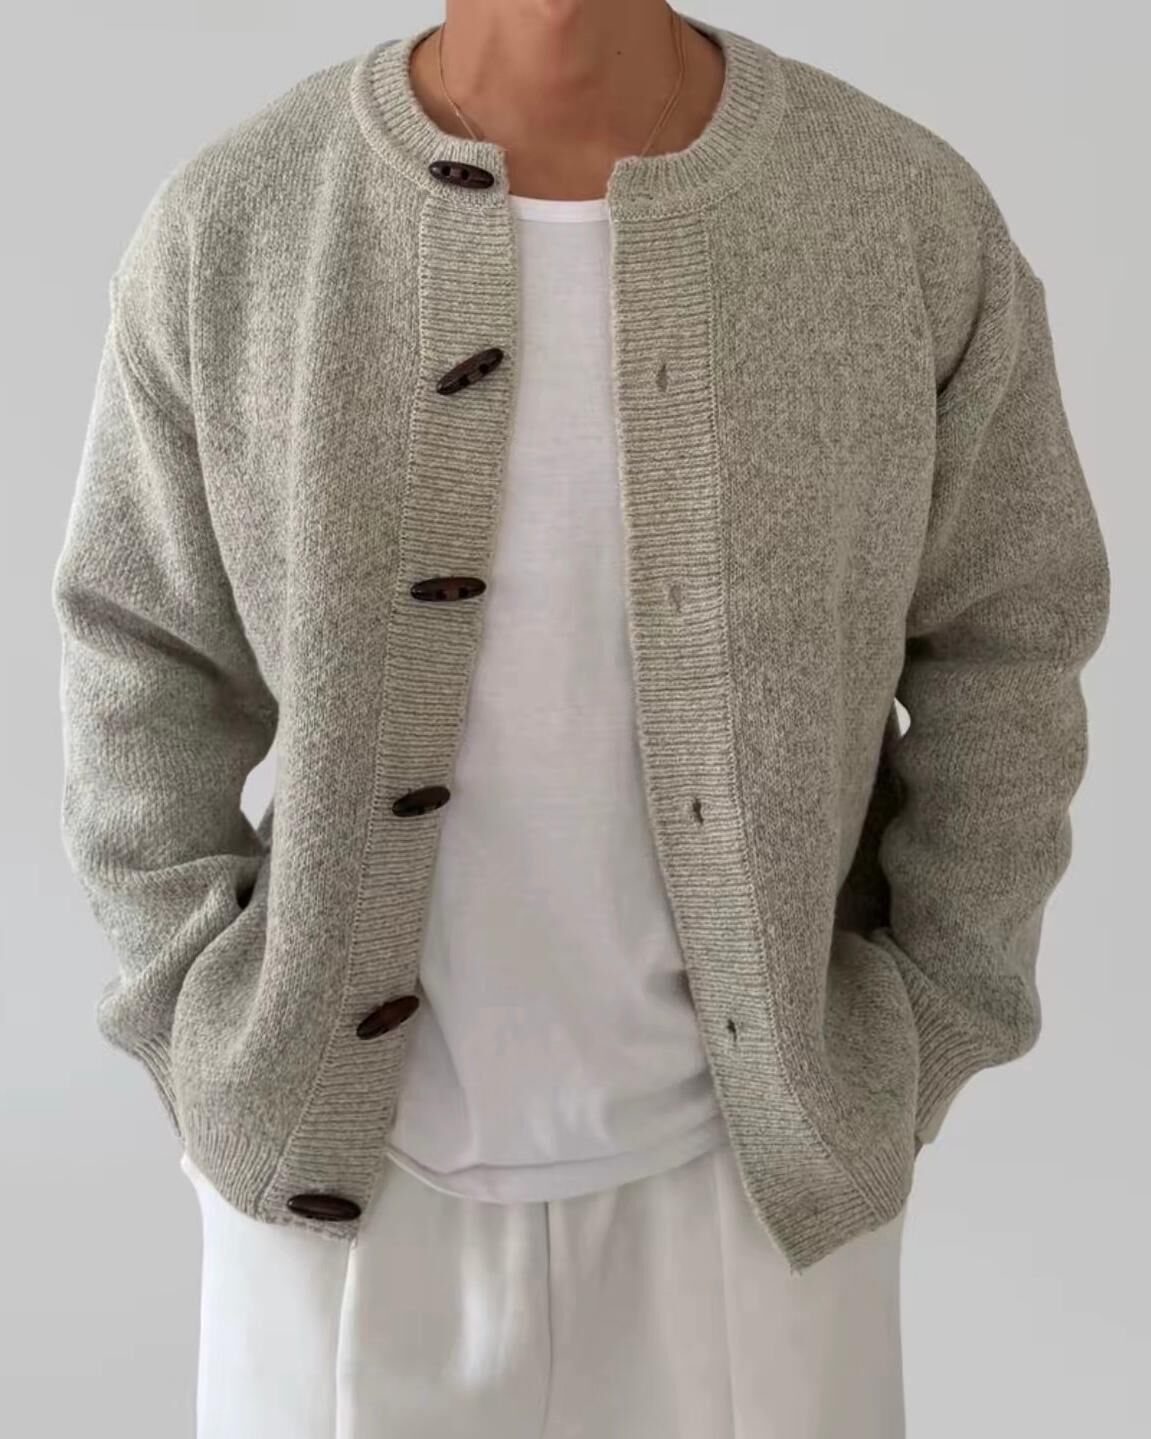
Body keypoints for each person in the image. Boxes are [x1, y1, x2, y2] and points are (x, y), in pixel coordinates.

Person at [50, 4, 1111, 1436]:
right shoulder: (236, 220)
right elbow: (140, 652)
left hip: (760, 1204)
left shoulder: (897, 214)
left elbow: (1012, 633)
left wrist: (928, 1013)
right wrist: (201, 1022)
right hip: (335, 1201)